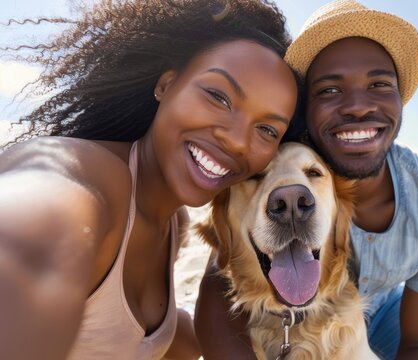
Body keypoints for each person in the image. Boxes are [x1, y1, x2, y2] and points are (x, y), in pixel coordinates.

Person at [0, 1, 297, 359]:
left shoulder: (173, 223)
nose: (237, 140)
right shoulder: (84, 181)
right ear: (166, 84)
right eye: (218, 96)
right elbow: (31, 228)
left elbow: (144, 339)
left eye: (267, 129)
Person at [195, 1, 418, 359]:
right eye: (329, 90)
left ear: (400, 97)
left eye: (379, 84)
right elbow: (218, 283)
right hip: (269, 315)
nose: (358, 106)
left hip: (388, 308)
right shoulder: (271, 154)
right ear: (305, 106)